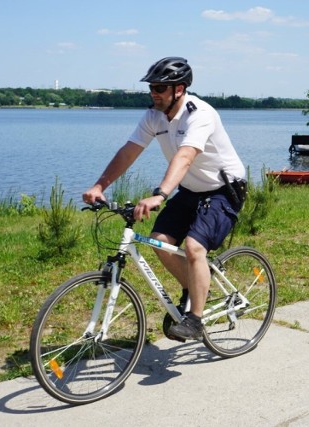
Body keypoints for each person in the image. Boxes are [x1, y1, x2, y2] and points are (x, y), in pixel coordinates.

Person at [83, 57, 247, 341]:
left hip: (223, 189)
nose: (153, 93)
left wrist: (160, 194)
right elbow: (129, 151)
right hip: (191, 190)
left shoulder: (200, 114)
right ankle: (194, 288)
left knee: (195, 247)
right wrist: (100, 185)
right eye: (152, 88)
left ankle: (195, 320)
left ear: (179, 89)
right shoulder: (153, 117)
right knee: (161, 241)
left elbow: (185, 156)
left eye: (159, 87)